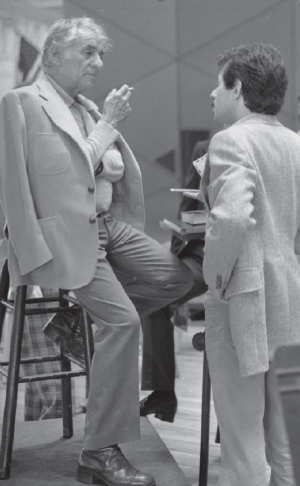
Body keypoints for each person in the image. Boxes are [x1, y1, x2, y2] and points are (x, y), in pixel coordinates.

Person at [0, 17, 193, 486]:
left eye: (100, 54)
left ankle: (71, 324)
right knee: (124, 323)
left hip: (108, 228)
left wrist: (102, 124)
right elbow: (25, 187)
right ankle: (98, 454)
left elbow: (107, 172)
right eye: (87, 52)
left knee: (180, 278)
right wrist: (31, 255)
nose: (98, 62)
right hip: (64, 237)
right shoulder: (21, 103)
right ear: (52, 56)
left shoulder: (85, 107)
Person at [201, 43, 300, 486]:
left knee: (242, 444)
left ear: (237, 87)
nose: (211, 93)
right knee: (285, 443)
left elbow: (233, 217)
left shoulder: (231, 140)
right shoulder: (295, 144)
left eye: (218, 83)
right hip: (289, 296)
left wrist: (214, 278)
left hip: (242, 298)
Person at [140, 140, 209, 422]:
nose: (214, 94)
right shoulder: (204, 148)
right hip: (196, 252)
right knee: (151, 292)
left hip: (230, 259)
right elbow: (189, 211)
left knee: (151, 294)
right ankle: (163, 392)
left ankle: (163, 394)